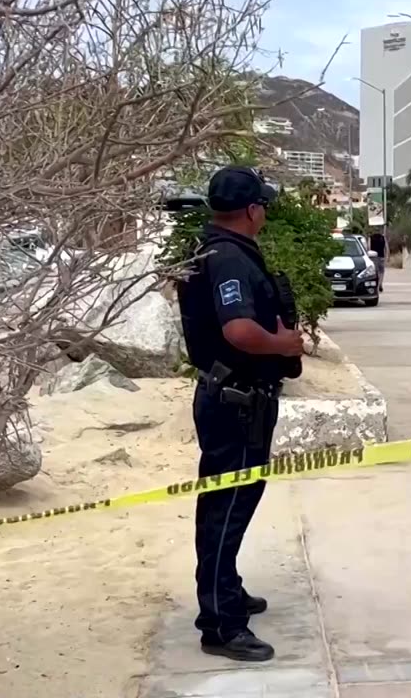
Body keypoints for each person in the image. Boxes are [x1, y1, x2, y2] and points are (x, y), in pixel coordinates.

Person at [177, 166, 306, 662]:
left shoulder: (213, 249)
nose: (266, 212)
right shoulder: (229, 258)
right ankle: (221, 624)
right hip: (234, 400)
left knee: (228, 504)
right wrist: (283, 343)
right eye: (264, 205)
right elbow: (238, 331)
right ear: (252, 210)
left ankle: (225, 589)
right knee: (225, 510)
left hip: (236, 397)